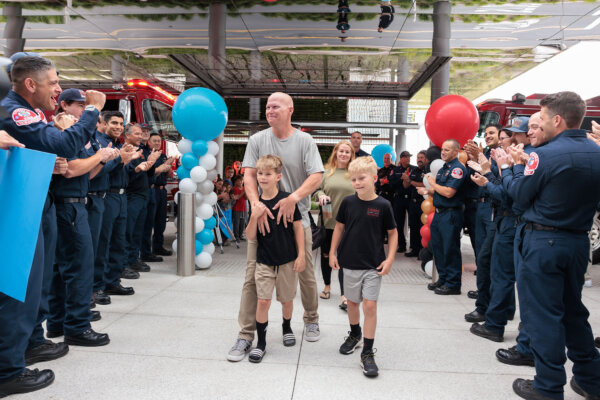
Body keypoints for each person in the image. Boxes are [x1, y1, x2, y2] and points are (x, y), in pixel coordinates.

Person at [0, 55, 110, 397]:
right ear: (30, 84)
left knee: (39, 284)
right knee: (20, 288)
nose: (58, 89)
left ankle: (30, 342)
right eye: (53, 83)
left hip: (34, 200)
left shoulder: (30, 113)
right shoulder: (14, 110)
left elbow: (51, 148)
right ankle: (8, 369)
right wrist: (92, 111)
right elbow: (62, 142)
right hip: (19, 207)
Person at [499, 92, 600, 400]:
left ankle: (548, 384)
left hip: (543, 242)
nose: (538, 126)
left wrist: (507, 170)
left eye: (541, 119)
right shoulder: (596, 153)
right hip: (577, 241)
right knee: (573, 312)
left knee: (544, 315)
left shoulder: (545, 155)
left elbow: (520, 194)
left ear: (557, 120)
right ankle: (591, 379)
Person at [228, 92, 324, 362]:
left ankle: (311, 319)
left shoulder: (304, 140)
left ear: (290, 110)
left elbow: (316, 175)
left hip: (296, 219)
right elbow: (248, 173)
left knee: (304, 274)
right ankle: (246, 336)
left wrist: (293, 198)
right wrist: (256, 204)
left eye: (276, 106)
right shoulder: (258, 139)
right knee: (251, 279)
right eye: (268, 106)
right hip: (262, 220)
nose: (270, 110)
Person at [45, 90, 119, 345]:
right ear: (64, 106)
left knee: (63, 269)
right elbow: (72, 169)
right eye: (81, 106)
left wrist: (99, 159)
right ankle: (76, 326)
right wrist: (99, 156)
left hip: (73, 203)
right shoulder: (62, 132)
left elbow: (84, 174)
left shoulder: (74, 132)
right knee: (79, 268)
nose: (85, 112)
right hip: (68, 206)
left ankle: (57, 322)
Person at [329, 156, 397, 377]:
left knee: (369, 306)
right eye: (354, 179)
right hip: (349, 262)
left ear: (374, 178)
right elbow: (339, 228)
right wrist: (332, 252)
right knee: (352, 304)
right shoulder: (348, 202)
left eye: (362, 178)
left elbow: (393, 233)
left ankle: (367, 352)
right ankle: (355, 333)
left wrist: (390, 259)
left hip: (373, 265)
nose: (357, 183)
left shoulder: (383, 205)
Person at [245, 155, 305, 363]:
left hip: (287, 259)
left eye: (268, 174)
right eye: (260, 173)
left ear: (278, 176)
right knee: (263, 301)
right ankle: (261, 343)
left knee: (287, 300)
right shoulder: (256, 203)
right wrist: (254, 215)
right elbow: (250, 236)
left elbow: (298, 228)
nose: (262, 177)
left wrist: (301, 255)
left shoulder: (288, 200)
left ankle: (286, 326)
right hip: (264, 260)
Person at [96, 112, 141, 297]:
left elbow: (124, 170)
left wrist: (131, 161)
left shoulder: (119, 145)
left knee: (118, 242)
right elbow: (102, 169)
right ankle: (97, 286)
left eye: (121, 124)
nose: (118, 127)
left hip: (122, 197)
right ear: (104, 123)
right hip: (108, 196)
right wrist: (120, 159)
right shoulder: (101, 143)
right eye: (114, 123)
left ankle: (113, 281)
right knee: (103, 243)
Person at [463, 123, 503, 320]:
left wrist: (482, 158)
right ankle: (484, 292)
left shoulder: (499, 154)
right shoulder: (486, 153)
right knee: (480, 250)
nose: (488, 136)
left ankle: (491, 299)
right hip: (479, 205)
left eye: (492, 133)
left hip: (491, 206)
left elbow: (494, 176)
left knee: (490, 254)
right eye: (486, 133)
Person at [421, 139, 467, 295]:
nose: (443, 152)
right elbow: (440, 191)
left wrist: (432, 184)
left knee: (450, 249)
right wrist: (428, 191)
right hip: (439, 213)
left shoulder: (457, 169)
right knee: (439, 248)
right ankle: (443, 279)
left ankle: (453, 284)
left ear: (456, 152)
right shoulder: (444, 168)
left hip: (451, 214)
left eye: (448, 150)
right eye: (443, 149)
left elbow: (448, 192)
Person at [314, 140, 355, 310]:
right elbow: (316, 190)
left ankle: (345, 294)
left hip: (349, 222)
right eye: (341, 151)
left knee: (345, 258)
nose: (344, 154)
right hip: (328, 218)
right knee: (326, 256)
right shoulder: (326, 172)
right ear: (336, 153)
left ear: (351, 155)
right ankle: (327, 286)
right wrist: (321, 195)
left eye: (347, 152)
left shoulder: (354, 172)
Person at [124, 123, 161, 272]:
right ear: (127, 135)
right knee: (128, 231)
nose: (141, 136)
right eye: (137, 134)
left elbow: (148, 175)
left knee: (138, 230)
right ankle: (124, 262)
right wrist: (139, 168)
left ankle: (133, 259)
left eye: (141, 134)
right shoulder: (124, 151)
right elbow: (127, 176)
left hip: (143, 195)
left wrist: (150, 163)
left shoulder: (140, 151)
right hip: (131, 196)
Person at [150, 134, 174, 256]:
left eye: (159, 141)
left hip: (162, 190)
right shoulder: (149, 156)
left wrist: (169, 166)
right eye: (154, 141)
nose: (157, 143)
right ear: (149, 142)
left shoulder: (163, 155)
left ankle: (158, 246)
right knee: (150, 220)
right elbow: (153, 173)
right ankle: (145, 250)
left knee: (161, 221)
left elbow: (168, 175)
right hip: (153, 190)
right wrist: (162, 167)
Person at [389, 150, 414, 253]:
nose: (408, 158)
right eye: (406, 157)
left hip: (411, 198)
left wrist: (408, 179)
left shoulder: (414, 169)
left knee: (413, 223)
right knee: (398, 223)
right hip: (399, 198)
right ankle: (402, 245)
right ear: (401, 158)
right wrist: (401, 178)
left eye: (409, 156)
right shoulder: (395, 170)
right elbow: (391, 185)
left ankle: (413, 246)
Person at [404, 150, 427, 257]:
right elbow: (406, 186)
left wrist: (410, 181)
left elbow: (423, 185)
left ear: (426, 159)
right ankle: (414, 249)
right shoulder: (414, 170)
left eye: (421, 157)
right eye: (418, 158)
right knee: (413, 227)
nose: (419, 160)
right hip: (412, 203)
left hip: (423, 203)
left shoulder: (427, 171)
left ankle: (423, 251)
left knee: (422, 227)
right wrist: (405, 178)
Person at [231, 175, 248, 242]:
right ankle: (236, 236)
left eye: (241, 180)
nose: (240, 182)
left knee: (242, 223)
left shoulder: (244, 188)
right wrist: (243, 192)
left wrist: (246, 192)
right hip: (236, 208)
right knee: (236, 223)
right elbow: (236, 198)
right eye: (239, 180)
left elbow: (246, 198)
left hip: (243, 208)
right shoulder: (234, 189)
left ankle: (240, 235)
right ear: (236, 182)